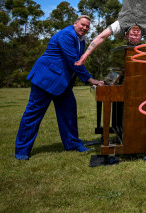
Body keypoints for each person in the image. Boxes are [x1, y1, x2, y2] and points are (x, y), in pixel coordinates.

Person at [15, 15, 105, 160]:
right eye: (82, 24)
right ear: (75, 23)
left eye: (87, 26)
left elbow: (78, 62)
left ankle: (73, 144)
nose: (85, 28)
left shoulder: (81, 41)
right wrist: (90, 80)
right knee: (33, 115)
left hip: (62, 84)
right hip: (45, 80)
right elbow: (74, 61)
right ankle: (22, 150)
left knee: (69, 112)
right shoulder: (66, 35)